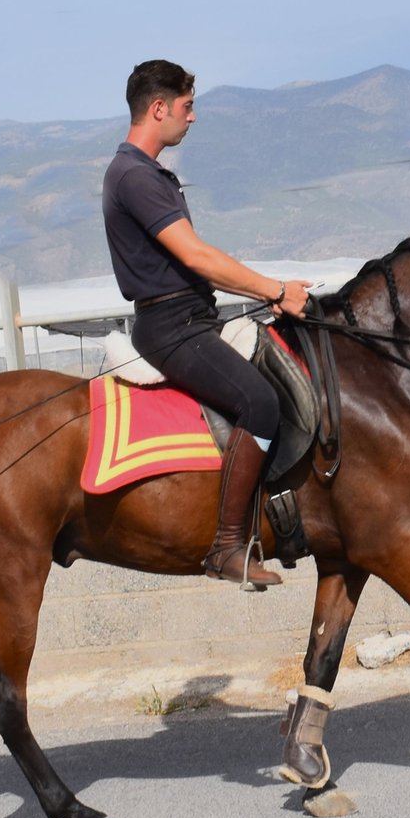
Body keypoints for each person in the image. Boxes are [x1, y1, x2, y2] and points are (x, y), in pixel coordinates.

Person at [102, 59, 310, 587]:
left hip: (192, 318)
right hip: (173, 327)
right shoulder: (133, 176)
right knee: (259, 402)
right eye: (187, 107)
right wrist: (275, 290)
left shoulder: (148, 174)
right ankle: (227, 547)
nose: (192, 119)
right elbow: (196, 257)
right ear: (159, 108)